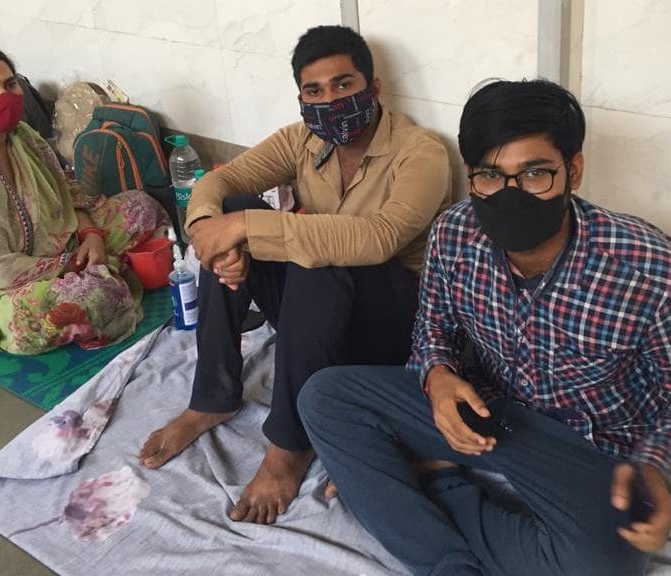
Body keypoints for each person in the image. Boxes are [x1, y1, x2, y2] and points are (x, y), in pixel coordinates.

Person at [298, 79, 671, 575]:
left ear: (574, 170)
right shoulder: (455, 234)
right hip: (487, 413)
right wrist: (437, 378)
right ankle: (448, 560)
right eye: (490, 175)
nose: (510, 194)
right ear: (471, 174)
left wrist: (658, 470)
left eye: (536, 173)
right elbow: (434, 327)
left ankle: (441, 487)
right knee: (326, 396)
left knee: (604, 561)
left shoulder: (653, 271)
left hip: (583, 448)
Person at [138, 25, 453, 525]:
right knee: (239, 212)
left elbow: (379, 238)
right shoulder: (303, 140)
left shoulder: (422, 152)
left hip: (391, 324)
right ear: (302, 97)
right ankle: (214, 396)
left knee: (307, 251)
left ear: (373, 88)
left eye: (343, 84)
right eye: (314, 91)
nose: (329, 100)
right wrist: (210, 232)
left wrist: (245, 226)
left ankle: (289, 445)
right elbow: (221, 181)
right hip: (318, 314)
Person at [0, 43, 169, 355]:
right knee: (96, 298)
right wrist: (73, 264)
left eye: (9, 85)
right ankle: (104, 274)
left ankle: (104, 269)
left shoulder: (22, 137)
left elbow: (66, 190)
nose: (3, 97)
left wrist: (91, 235)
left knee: (142, 207)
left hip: (60, 249)